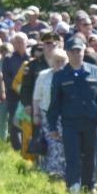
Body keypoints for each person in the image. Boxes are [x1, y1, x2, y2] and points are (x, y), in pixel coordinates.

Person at [47, 37, 97, 193]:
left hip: (90, 121)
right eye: (73, 51)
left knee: (90, 156)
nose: (77, 54)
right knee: (73, 155)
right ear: (68, 53)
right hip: (70, 122)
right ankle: (73, 185)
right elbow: (54, 104)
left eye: (79, 50)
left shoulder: (95, 72)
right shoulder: (60, 75)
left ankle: (89, 185)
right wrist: (52, 126)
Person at [33, 48, 68, 178]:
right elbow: (36, 96)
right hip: (46, 114)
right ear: (52, 62)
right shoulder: (43, 75)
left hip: (64, 115)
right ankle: (51, 170)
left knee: (63, 143)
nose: (59, 63)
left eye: (62, 61)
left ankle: (63, 171)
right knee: (51, 142)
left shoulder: (68, 75)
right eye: (57, 61)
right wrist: (35, 114)